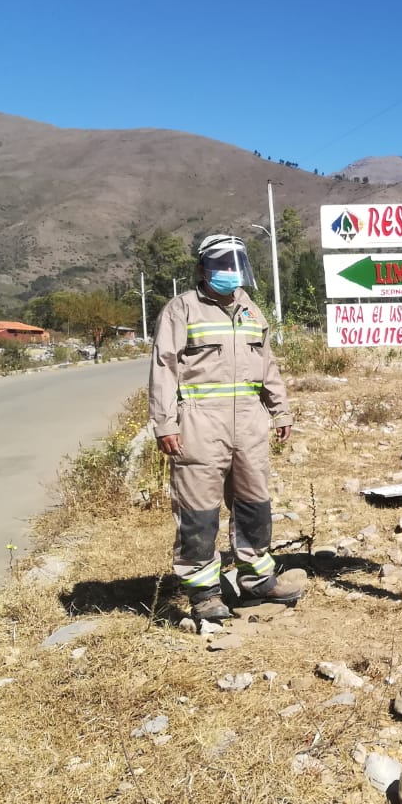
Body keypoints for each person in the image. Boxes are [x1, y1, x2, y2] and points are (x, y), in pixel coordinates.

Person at [149, 235, 306, 622]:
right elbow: (164, 369)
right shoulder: (182, 309)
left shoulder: (250, 310)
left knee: (255, 504)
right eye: (221, 265)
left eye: (235, 264)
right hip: (199, 423)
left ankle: (257, 580)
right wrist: (165, 423)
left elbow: (267, 365)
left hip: (249, 422)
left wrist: (280, 410)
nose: (229, 272)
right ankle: (204, 593)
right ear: (202, 268)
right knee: (199, 511)